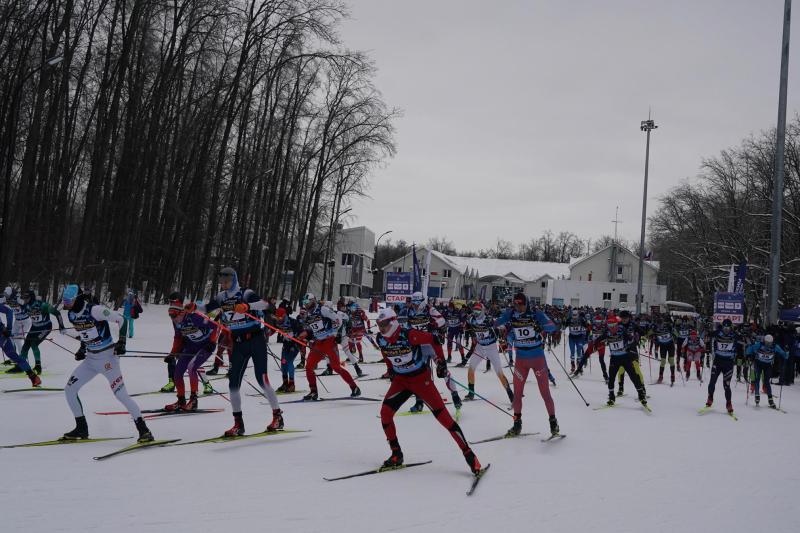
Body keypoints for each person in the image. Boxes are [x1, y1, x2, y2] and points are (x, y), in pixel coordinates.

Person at [374, 308, 482, 475]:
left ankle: (469, 455)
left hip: (420, 380)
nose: (381, 329)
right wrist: (391, 369)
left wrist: (441, 363)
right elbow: (385, 352)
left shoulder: (409, 335)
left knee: (444, 418)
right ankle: (396, 454)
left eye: (384, 325)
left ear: (393, 322)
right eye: (379, 325)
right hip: (401, 381)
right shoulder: (380, 339)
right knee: (385, 414)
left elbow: (434, 339)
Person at [60, 285, 153, 442]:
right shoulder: (71, 315)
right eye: (64, 300)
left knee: (121, 395)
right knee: (70, 389)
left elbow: (121, 319)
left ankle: (144, 431)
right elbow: (85, 334)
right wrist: (82, 348)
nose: (66, 303)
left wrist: (122, 341)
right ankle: (81, 428)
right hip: (90, 360)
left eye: (68, 300)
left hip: (108, 359)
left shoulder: (94, 310)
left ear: (77, 298)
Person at [201, 267, 283, 436]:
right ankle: (238, 424)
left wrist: (247, 306)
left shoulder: (245, 293)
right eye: (222, 282)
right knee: (233, 384)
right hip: (238, 343)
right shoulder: (221, 297)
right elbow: (208, 309)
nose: (224, 285)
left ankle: (277, 416)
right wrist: (193, 307)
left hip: (256, 339)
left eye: (227, 281)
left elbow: (266, 305)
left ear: (234, 280)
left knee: (263, 380)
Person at [496, 293, 561, 438]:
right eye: (516, 304)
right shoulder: (511, 314)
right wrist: (506, 336)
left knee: (545, 393)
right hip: (521, 361)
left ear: (526, 303)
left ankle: (553, 423)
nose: (518, 307)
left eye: (521, 304)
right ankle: (517, 425)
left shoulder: (535, 313)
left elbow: (552, 327)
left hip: (537, 359)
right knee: (517, 394)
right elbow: (500, 325)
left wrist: (541, 326)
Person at [399, 291, 461, 412]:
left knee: (443, 370)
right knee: (417, 373)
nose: (415, 305)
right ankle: (419, 402)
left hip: (432, 345)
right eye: (414, 303)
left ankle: (455, 396)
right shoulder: (409, 311)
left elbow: (442, 320)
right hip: (417, 346)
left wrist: (433, 324)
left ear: (422, 302)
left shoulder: (429, 310)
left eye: (418, 303)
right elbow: (404, 325)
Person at [163, 294, 221, 412]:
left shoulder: (194, 317)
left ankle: (193, 401)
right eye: (170, 316)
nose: (173, 319)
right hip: (191, 346)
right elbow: (178, 338)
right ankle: (181, 401)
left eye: (174, 316)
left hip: (205, 346)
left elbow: (215, 326)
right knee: (177, 372)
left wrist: (212, 342)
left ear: (181, 313)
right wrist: (173, 354)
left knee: (192, 368)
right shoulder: (176, 322)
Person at [297, 293, 360, 401]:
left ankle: (354, 387)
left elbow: (337, 320)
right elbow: (312, 329)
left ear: (313, 301)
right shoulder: (307, 314)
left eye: (307, 302)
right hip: (318, 343)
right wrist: (305, 335)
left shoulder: (322, 309)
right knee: (309, 367)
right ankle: (313, 392)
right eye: (304, 303)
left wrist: (337, 334)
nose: (305, 305)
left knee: (336, 367)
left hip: (329, 341)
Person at [463, 302, 513, 402]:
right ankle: (471, 393)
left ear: (482, 311)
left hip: (491, 348)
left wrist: (501, 332)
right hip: (480, 347)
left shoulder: (489, 319)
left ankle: (511, 396)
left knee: (499, 373)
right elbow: (465, 323)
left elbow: (503, 326)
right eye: (474, 310)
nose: (476, 313)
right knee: (471, 369)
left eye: (478, 311)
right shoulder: (471, 319)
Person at [17, 289, 65, 374]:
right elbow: (21, 312)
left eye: (26, 298)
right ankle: (21, 365)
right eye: (23, 298)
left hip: (45, 327)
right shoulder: (26, 305)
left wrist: (61, 326)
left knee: (34, 344)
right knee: (26, 345)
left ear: (31, 298)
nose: (24, 300)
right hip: (35, 327)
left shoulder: (42, 305)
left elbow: (57, 313)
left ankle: (38, 367)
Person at [0, 301, 41, 387]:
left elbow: (9, 311)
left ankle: (33, 377)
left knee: (13, 356)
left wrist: (9, 329)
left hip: (2, 335)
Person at [705, 319, 739, 414]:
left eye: (728, 328)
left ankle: (729, 403)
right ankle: (710, 398)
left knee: (726, 385)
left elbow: (744, 341)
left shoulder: (734, 335)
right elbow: (708, 335)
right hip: (718, 361)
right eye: (725, 328)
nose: (726, 330)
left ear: (731, 327)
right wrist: (707, 332)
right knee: (712, 382)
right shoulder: (718, 332)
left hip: (728, 363)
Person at [745, 334, 788, 408]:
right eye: (767, 343)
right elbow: (751, 348)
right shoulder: (759, 344)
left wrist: (786, 353)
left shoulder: (775, 346)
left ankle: (770, 399)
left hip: (768, 366)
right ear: (764, 341)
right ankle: (757, 395)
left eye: (770, 343)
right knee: (757, 379)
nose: (768, 344)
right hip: (758, 364)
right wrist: (748, 355)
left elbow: (783, 354)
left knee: (766, 382)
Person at [1, 286, 32, 371]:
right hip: (17, 321)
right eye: (5, 294)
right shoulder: (6, 299)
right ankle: (13, 357)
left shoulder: (18, 299)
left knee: (18, 340)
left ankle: (23, 361)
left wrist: (24, 305)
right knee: (10, 337)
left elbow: (27, 306)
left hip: (25, 321)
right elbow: (1, 301)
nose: (6, 296)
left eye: (7, 294)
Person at [573, 313, 609, 382]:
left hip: (601, 345)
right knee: (585, 357)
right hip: (593, 344)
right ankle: (578, 371)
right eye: (596, 322)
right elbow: (588, 330)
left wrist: (606, 341)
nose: (598, 323)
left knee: (601, 360)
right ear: (595, 321)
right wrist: (587, 337)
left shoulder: (604, 327)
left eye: (599, 322)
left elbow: (607, 334)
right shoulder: (593, 326)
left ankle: (605, 376)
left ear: (601, 321)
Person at [275, 307, 303, 393]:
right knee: (283, 362)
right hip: (286, 344)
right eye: (277, 317)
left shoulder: (293, 322)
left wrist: (296, 336)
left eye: (280, 317)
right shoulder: (278, 322)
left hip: (295, 344)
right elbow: (273, 329)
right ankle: (285, 383)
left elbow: (302, 331)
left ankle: (292, 384)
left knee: (289, 361)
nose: (279, 319)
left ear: (284, 315)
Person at [652, 316, 677, 385]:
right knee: (663, 361)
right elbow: (654, 337)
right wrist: (653, 339)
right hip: (663, 346)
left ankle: (672, 375)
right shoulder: (655, 328)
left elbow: (675, 332)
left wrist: (675, 336)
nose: (660, 326)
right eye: (658, 324)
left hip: (670, 345)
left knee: (671, 360)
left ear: (663, 323)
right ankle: (660, 376)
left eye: (661, 324)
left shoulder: (668, 326)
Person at [564, 309, 588, 373]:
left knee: (579, 352)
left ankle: (579, 365)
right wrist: (564, 324)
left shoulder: (581, 319)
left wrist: (586, 323)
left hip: (579, 338)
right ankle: (573, 365)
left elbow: (586, 326)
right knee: (572, 352)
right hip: (571, 338)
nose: (574, 316)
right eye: (573, 315)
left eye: (575, 315)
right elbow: (564, 325)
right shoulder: (569, 319)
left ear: (578, 315)